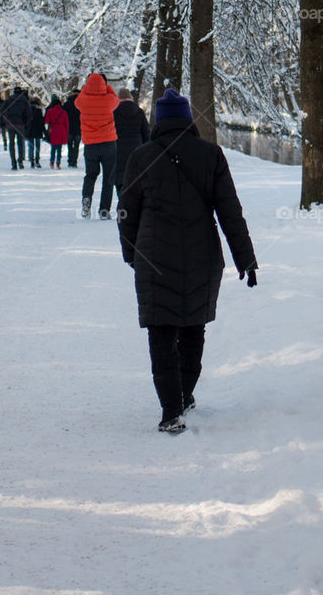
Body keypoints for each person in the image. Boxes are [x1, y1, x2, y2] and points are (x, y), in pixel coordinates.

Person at [118, 86, 257, 436]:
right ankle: (185, 394)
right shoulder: (211, 155)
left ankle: (171, 409)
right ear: (188, 120)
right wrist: (246, 259)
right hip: (202, 256)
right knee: (194, 328)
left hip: (153, 257)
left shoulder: (140, 156)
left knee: (161, 331)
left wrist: (132, 254)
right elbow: (230, 212)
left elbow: (126, 212)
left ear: (159, 121)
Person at [75, 73, 119, 218]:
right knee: (108, 177)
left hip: (90, 144)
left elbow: (78, 100)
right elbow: (116, 99)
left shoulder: (82, 101)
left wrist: (86, 88)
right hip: (108, 143)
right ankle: (104, 210)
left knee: (91, 174)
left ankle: (86, 198)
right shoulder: (109, 100)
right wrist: (107, 88)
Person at [112, 87, 149, 202]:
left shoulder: (114, 112)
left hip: (118, 147)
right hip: (136, 146)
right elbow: (146, 132)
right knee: (135, 174)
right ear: (130, 97)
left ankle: (122, 200)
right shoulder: (139, 112)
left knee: (120, 176)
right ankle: (133, 201)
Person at [1, 86, 30, 170]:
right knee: (20, 143)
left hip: (10, 124)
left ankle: (13, 163)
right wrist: (26, 124)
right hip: (20, 124)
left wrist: (3, 122)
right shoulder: (24, 100)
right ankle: (20, 161)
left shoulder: (9, 99)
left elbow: (2, 111)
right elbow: (28, 113)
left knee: (11, 143)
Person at [44, 95, 69, 168]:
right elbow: (66, 123)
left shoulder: (50, 111)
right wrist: (66, 133)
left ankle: (52, 162)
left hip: (53, 130)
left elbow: (46, 121)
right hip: (61, 130)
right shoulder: (63, 112)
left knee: (53, 148)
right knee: (59, 148)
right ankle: (58, 163)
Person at [63, 89, 81, 167]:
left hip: (69, 128)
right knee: (76, 146)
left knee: (69, 145)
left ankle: (70, 161)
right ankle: (74, 161)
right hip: (78, 128)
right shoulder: (81, 103)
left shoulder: (67, 104)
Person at [26, 98, 46, 167]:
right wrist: (44, 131)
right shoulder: (38, 111)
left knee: (31, 146)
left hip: (30, 131)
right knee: (37, 146)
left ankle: (31, 160)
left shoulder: (27, 111)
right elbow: (41, 122)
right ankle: (37, 160)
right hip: (38, 131)